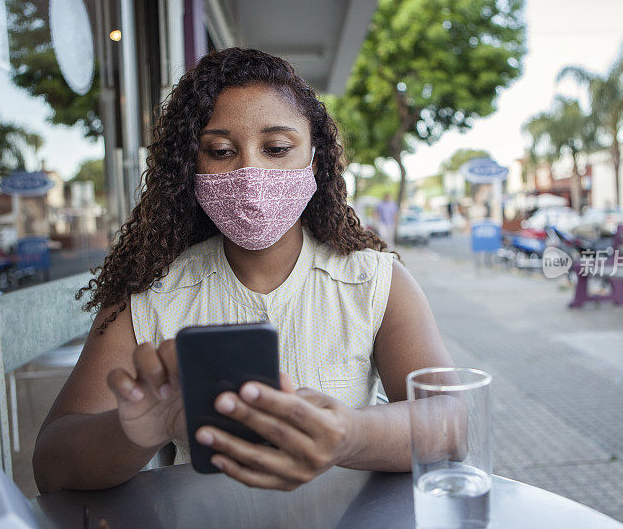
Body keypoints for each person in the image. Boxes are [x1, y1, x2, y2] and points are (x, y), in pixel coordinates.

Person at [32, 47, 454, 493]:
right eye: (220, 150)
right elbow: (51, 466)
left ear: (316, 159)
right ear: (188, 168)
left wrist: (350, 436)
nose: (250, 171)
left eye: (276, 148)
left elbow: (452, 421)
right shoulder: (148, 297)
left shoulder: (374, 282)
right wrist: (133, 432)